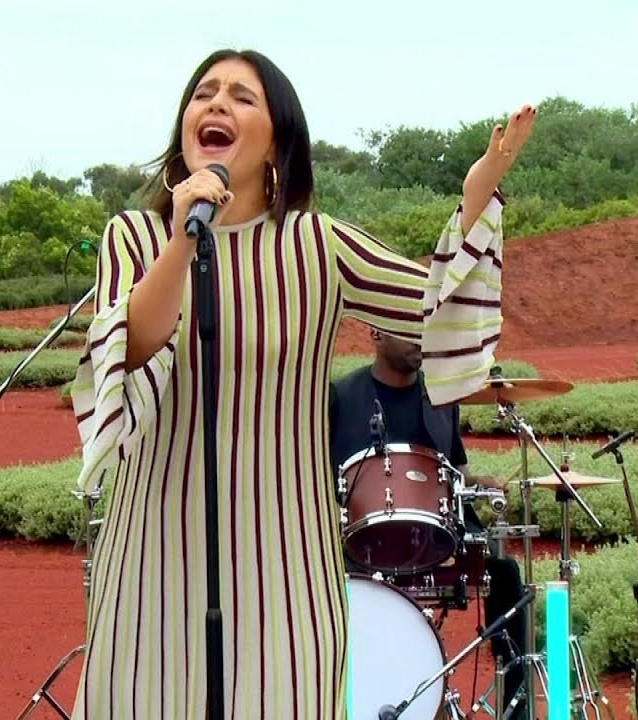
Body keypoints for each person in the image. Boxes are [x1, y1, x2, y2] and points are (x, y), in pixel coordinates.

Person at [69, 48, 535, 719]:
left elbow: (437, 310)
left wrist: (477, 194)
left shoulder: (321, 245)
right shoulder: (135, 237)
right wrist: (182, 240)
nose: (217, 103)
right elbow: (130, 347)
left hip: (285, 564)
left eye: (242, 96)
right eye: (204, 93)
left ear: (277, 141)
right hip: (153, 552)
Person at [329, 329, 529, 718]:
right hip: (361, 543)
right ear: (376, 334)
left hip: (436, 538)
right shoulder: (342, 397)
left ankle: (515, 707)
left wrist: (481, 483)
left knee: (505, 574)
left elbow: (456, 471)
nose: (419, 341)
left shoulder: (439, 397)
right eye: (407, 332)